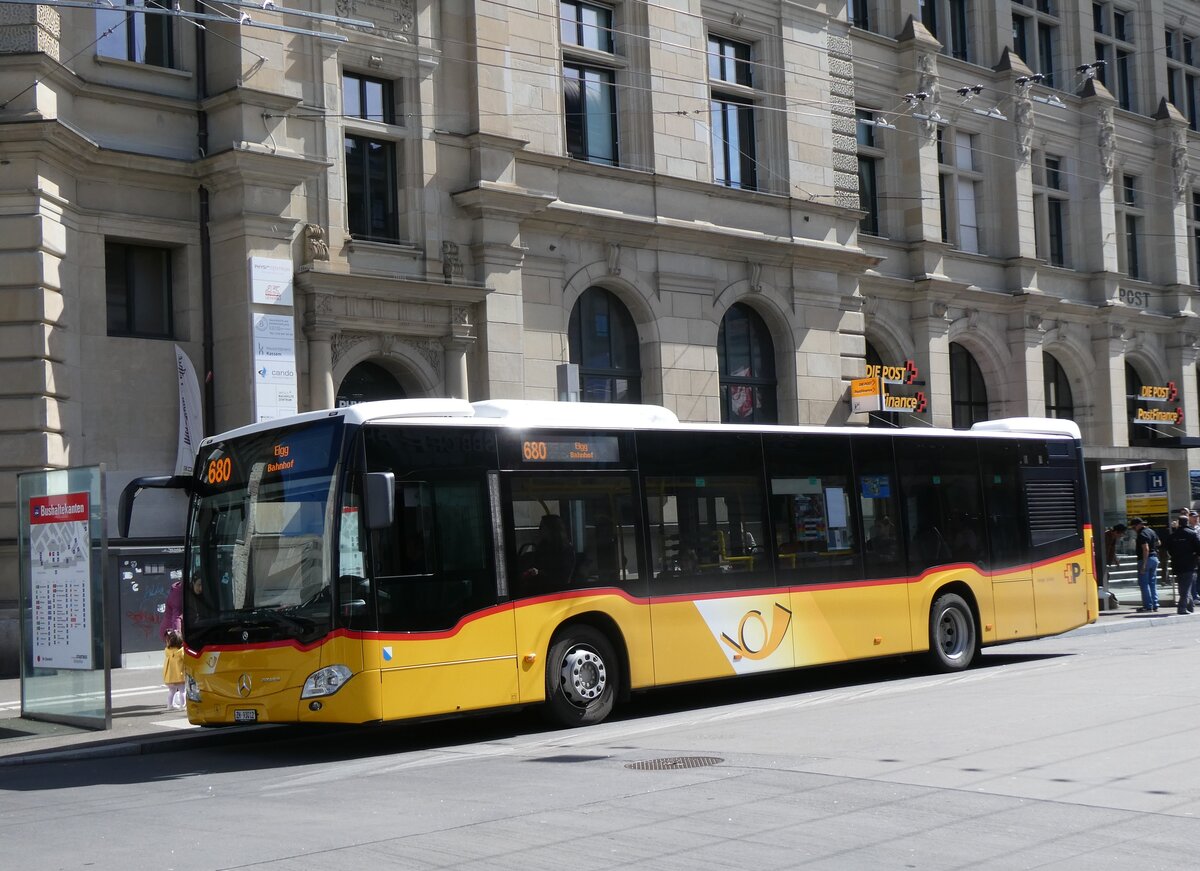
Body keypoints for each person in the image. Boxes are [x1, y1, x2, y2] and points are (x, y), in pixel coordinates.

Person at [519, 514, 576, 593]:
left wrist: (539, 572)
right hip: (539, 585)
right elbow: (537, 563)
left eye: (542, 527)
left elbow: (561, 576)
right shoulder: (543, 545)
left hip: (557, 589)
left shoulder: (565, 549)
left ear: (552, 529)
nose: (539, 530)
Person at [1166, 508, 1200, 614]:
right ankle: (1182, 608)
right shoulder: (1192, 533)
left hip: (1177, 563)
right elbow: (1198, 548)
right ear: (1187, 522)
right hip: (1189, 563)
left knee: (1183, 586)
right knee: (1186, 586)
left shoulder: (1173, 535)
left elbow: (1169, 549)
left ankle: (1190, 606)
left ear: (1179, 523)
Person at [1131, 517, 1161, 612]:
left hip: (1145, 559)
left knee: (1144, 584)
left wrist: (1144, 564)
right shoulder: (1151, 531)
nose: (1134, 529)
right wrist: (1153, 547)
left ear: (1138, 525)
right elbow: (1159, 542)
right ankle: (1155, 604)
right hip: (1154, 558)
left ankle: (1148, 606)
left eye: (1133, 527)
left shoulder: (1142, 534)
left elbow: (1145, 549)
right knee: (1152, 583)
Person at [162, 629, 185, 711]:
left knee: (171, 691)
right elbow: (186, 660)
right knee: (182, 691)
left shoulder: (167, 650)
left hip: (169, 676)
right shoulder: (181, 651)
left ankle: (170, 705)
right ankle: (183, 706)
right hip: (179, 675)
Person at [159, 577, 183, 643]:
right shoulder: (177, 596)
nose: (201, 588)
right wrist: (177, 638)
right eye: (199, 585)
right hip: (170, 631)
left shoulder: (183, 591)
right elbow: (176, 618)